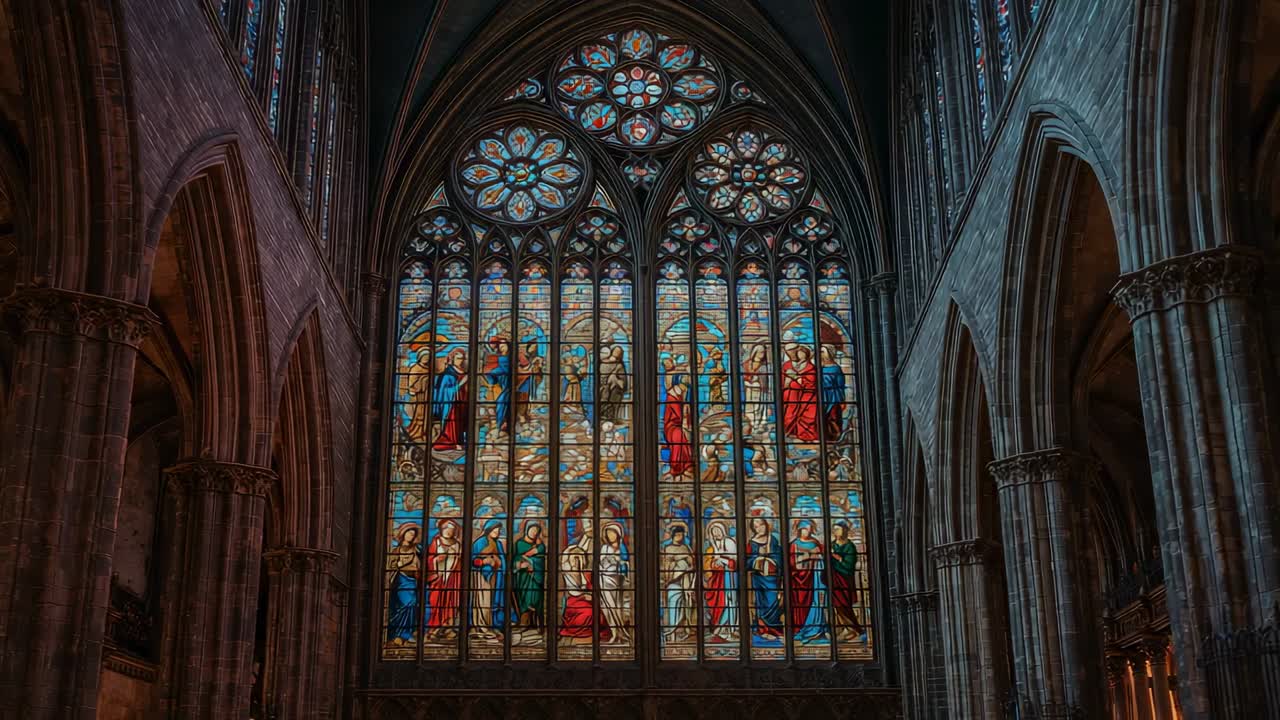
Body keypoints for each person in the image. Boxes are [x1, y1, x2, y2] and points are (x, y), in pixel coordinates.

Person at [789, 520, 830, 643]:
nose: (807, 531)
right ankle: (800, 629)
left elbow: (823, 558)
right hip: (798, 580)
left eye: (809, 529)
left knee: (817, 601)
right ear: (799, 530)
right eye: (804, 529)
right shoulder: (794, 544)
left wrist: (814, 556)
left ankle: (817, 628)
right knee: (799, 605)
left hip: (815, 579)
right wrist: (811, 555)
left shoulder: (815, 543)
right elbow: (793, 563)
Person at [559, 522, 598, 640]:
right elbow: (573, 592)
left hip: (584, 599)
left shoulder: (583, 572)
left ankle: (590, 631)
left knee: (598, 611)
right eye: (574, 559)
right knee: (589, 612)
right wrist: (585, 596)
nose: (577, 561)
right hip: (573, 601)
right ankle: (577, 630)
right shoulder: (568, 572)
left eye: (579, 559)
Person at [746, 517, 783, 639]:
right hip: (759, 578)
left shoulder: (773, 540)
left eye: (761, 524)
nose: (760, 528)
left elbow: (780, 557)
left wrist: (771, 559)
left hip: (772, 578)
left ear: (766, 525)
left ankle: (774, 629)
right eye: (756, 527)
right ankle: (763, 630)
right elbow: (746, 561)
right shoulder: (752, 543)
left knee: (773, 601)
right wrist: (757, 559)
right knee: (761, 603)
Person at [425, 519, 463, 639]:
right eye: (446, 529)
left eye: (451, 530)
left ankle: (448, 627)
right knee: (436, 601)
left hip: (452, 578)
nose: (448, 531)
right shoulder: (436, 541)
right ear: (441, 529)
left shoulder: (457, 544)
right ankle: (434, 628)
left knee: (451, 602)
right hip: (438, 578)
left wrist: (456, 558)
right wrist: (436, 560)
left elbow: (461, 562)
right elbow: (429, 559)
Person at [703, 520, 738, 644]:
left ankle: (729, 629)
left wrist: (723, 561)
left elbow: (734, 562)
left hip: (729, 577)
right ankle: (719, 628)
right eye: (713, 531)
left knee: (730, 601)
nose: (716, 533)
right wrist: (713, 563)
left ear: (723, 530)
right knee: (719, 603)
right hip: (716, 580)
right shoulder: (711, 547)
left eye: (718, 530)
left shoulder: (730, 543)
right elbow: (707, 565)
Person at [385, 525, 421, 647]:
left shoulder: (417, 550)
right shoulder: (396, 550)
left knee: (412, 604)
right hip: (401, 580)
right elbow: (391, 565)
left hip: (412, 581)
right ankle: (397, 634)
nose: (411, 536)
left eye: (413, 534)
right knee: (405, 604)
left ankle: (406, 634)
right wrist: (399, 564)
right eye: (409, 533)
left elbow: (421, 565)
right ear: (403, 534)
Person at [469, 520, 505, 639]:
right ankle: (481, 626)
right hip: (481, 576)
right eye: (495, 529)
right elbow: (472, 561)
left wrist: (499, 562)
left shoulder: (498, 544)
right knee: (483, 601)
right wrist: (484, 561)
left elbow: (502, 560)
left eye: (498, 530)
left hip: (495, 576)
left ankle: (490, 625)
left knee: (491, 602)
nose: (497, 532)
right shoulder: (480, 542)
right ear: (488, 530)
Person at [661, 524, 696, 644]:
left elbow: (692, 564)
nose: (679, 537)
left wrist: (687, 564)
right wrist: (680, 560)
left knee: (686, 606)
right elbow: (667, 564)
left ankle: (684, 631)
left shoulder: (686, 547)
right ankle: (672, 634)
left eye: (681, 534)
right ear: (673, 536)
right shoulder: (668, 548)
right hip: (673, 582)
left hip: (686, 581)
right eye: (677, 535)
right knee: (673, 606)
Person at [829, 522, 864, 639]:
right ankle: (846, 629)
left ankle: (853, 629)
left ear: (844, 531)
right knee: (837, 605)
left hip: (845, 579)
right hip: (833, 580)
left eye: (838, 529)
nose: (836, 532)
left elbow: (849, 565)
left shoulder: (850, 546)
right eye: (835, 530)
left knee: (844, 604)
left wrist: (838, 559)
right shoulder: (832, 545)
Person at [599, 523, 631, 646]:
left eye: (612, 533)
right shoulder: (604, 548)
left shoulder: (622, 548)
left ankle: (622, 633)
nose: (610, 535)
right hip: (605, 580)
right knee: (608, 608)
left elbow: (626, 563)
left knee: (619, 607)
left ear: (618, 534)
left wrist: (620, 562)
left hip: (619, 581)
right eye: (608, 533)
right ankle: (614, 633)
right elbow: (600, 563)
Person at [661, 357, 693, 479]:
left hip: (679, 426)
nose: (685, 390)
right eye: (685, 387)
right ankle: (676, 467)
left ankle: (686, 466)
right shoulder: (672, 397)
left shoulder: (681, 395)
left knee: (683, 437)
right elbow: (677, 416)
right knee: (679, 437)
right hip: (671, 426)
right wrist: (684, 418)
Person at [432, 349, 469, 450]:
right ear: (452, 359)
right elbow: (444, 391)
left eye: (462, 358)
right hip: (451, 405)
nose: (460, 361)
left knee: (461, 423)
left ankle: (460, 442)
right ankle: (452, 442)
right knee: (452, 423)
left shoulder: (464, 372)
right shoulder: (447, 374)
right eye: (458, 358)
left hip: (463, 402)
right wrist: (461, 384)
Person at [511, 522, 546, 629]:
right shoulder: (519, 544)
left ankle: (535, 623)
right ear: (527, 529)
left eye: (536, 531)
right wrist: (520, 565)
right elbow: (512, 560)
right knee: (524, 600)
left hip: (535, 578)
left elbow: (541, 560)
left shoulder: (540, 546)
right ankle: (524, 622)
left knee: (535, 599)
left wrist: (533, 562)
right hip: (522, 578)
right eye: (532, 529)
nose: (534, 532)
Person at [781, 345, 819, 442]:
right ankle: (789, 433)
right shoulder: (787, 365)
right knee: (789, 416)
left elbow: (811, 383)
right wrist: (787, 382)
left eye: (802, 353)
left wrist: (795, 377)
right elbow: (782, 381)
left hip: (806, 396)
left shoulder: (810, 367)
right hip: (790, 397)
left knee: (806, 417)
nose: (800, 355)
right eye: (798, 353)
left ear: (807, 354)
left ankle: (805, 436)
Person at [483, 338, 512, 433]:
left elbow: (505, 370)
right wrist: (492, 375)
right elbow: (501, 369)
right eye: (500, 346)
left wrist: (493, 372)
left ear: (508, 346)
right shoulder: (500, 357)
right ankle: (501, 423)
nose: (502, 347)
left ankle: (502, 423)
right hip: (503, 382)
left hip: (509, 382)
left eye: (504, 345)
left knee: (502, 401)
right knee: (501, 401)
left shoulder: (510, 357)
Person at [819, 346, 846, 440]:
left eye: (822, 352)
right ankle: (826, 437)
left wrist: (842, 400)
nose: (821, 354)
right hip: (822, 396)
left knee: (833, 417)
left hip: (833, 396)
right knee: (823, 417)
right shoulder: (820, 367)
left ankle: (836, 435)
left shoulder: (836, 368)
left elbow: (840, 385)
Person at [599, 344, 628, 422]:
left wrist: (614, 379)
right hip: (603, 388)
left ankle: (610, 419)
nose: (617, 353)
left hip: (614, 390)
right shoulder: (603, 362)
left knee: (612, 402)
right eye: (616, 350)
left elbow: (623, 383)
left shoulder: (620, 366)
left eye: (619, 352)